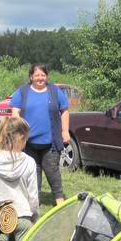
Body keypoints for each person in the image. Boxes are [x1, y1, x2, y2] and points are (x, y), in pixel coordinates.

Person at [10, 64, 70, 206]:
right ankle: (33, 203)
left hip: (50, 143)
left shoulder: (55, 91)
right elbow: (15, 111)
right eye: (37, 75)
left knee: (52, 172)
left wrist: (65, 131)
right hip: (28, 143)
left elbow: (65, 111)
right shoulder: (23, 91)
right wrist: (18, 132)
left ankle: (60, 202)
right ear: (31, 77)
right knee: (32, 173)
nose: (40, 78)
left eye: (43, 75)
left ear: (46, 76)